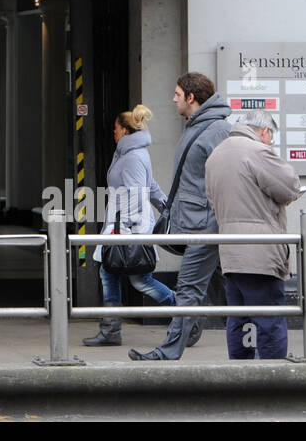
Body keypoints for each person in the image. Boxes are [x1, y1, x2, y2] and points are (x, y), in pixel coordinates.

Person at [129, 71, 232, 361]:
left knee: (187, 287)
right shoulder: (195, 126)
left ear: (191, 97)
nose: (172, 98)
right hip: (195, 224)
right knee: (225, 291)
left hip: (205, 228)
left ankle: (169, 351)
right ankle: (254, 343)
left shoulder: (217, 132)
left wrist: (212, 223)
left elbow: (228, 179)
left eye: (177, 93)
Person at [204, 109, 303, 360]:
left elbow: (212, 200)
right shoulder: (257, 151)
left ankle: (242, 377)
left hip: (230, 251)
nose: (270, 143)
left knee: (240, 319)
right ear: (265, 131)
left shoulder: (216, 155)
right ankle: (271, 379)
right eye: (271, 137)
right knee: (269, 319)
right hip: (260, 252)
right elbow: (289, 187)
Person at [83, 104, 175, 347]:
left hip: (127, 226)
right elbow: (151, 185)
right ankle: (111, 330)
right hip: (122, 223)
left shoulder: (132, 156)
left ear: (124, 130)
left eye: (115, 128)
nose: (113, 133)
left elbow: (136, 192)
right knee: (110, 271)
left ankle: (184, 315)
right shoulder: (129, 153)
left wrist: (131, 233)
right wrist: (165, 205)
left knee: (140, 280)